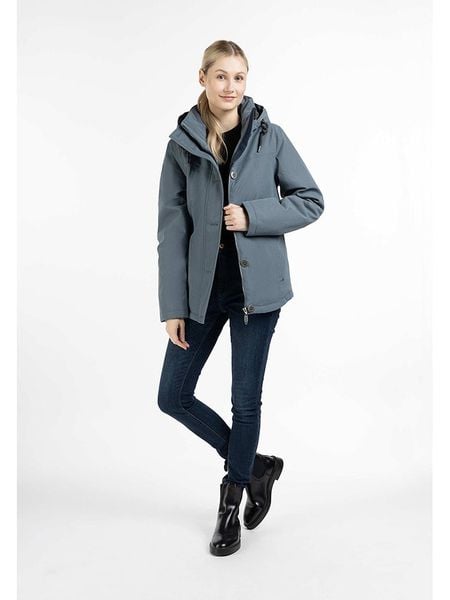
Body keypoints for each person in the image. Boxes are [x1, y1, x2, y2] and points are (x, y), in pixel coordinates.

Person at [156, 40, 324, 556]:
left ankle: (230, 503)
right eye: (221, 76)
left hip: (259, 292)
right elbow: (171, 229)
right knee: (172, 396)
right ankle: (257, 467)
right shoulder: (182, 144)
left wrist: (253, 215)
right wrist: (173, 306)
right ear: (202, 78)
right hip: (202, 292)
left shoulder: (269, 137)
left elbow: (311, 200)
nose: (231, 87)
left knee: (244, 400)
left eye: (239, 77)